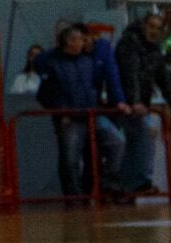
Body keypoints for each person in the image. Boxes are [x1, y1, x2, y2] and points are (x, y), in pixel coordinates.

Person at [36, 25, 126, 199]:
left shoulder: (87, 61)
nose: (84, 43)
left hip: (91, 113)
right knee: (70, 158)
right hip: (71, 117)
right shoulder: (54, 64)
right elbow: (45, 93)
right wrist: (61, 112)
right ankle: (74, 195)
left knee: (116, 143)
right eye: (79, 40)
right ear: (69, 42)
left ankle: (104, 183)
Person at [114, 13, 171, 194]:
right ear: (143, 26)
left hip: (140, 104)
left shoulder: (154, 50)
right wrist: (135, 101)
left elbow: (163, 78)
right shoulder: (129, 43)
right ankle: (129, 184)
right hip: (126, 104)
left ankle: (131, 185)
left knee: (139, 141)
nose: (154, 31)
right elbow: (129, 73)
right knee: (135, 141)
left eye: (158, 28)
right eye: (151, 26)